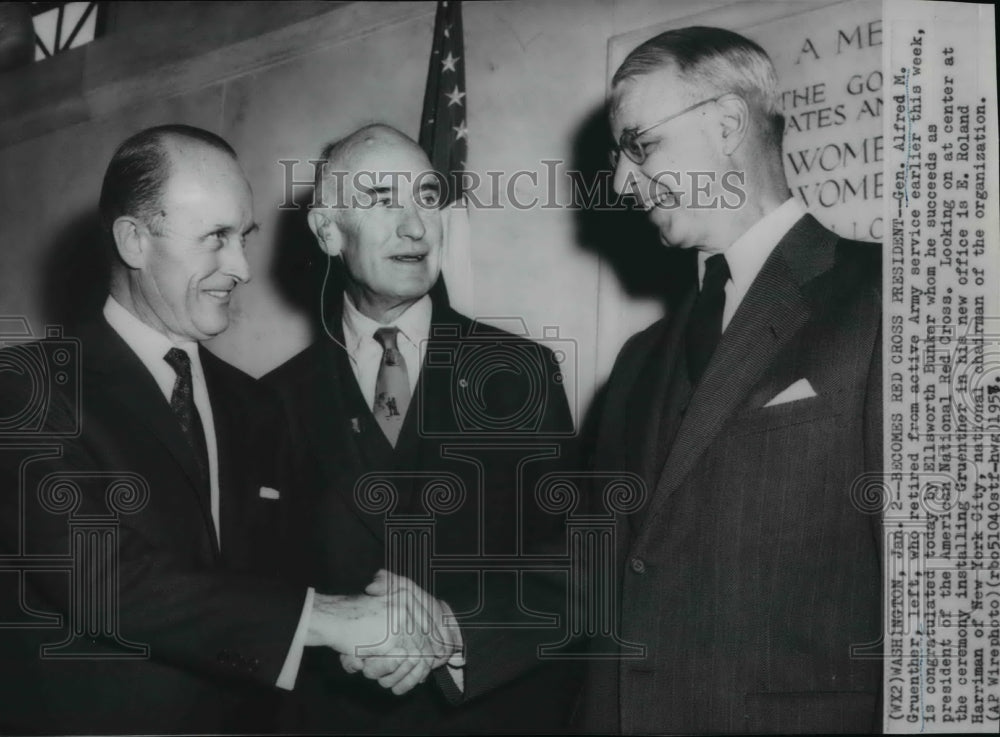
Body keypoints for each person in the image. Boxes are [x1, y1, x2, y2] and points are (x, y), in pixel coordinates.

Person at [0, 124, 448, 735]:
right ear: (134, 240)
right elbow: (103, 579)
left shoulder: (258, 405)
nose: (239, 267)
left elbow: (288, 572)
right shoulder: (28, 388)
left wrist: (403, 619)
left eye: (244, 237)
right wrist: (325, 618)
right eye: (215, 238)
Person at [579, 26, 882, 734]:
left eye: (639, 145)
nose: (622, 181)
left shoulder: (890, 294)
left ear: (725, 125)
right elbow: (593, 573)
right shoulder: (639, 357)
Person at [263, 124, 581, 733]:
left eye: (428, 199)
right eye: (383, 200)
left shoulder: (521, 374)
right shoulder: (272, 401)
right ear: (328, 230)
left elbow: (575, 564)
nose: (415, 226)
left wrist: (452, 634)